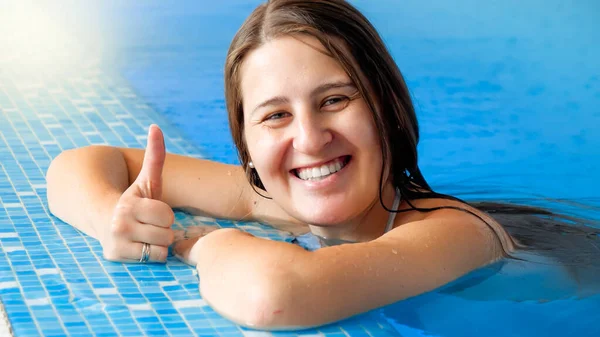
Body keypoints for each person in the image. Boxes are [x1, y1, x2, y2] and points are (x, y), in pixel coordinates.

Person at [46, 0, 518, 330]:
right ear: (247, 146)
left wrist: (206, 246)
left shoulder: (460, 232)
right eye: (276, 116)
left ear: (388, 107)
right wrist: (114, 220)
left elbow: (276, 296)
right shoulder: (271, 197)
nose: (310, 140)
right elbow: (77, 165)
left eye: (334, 99)